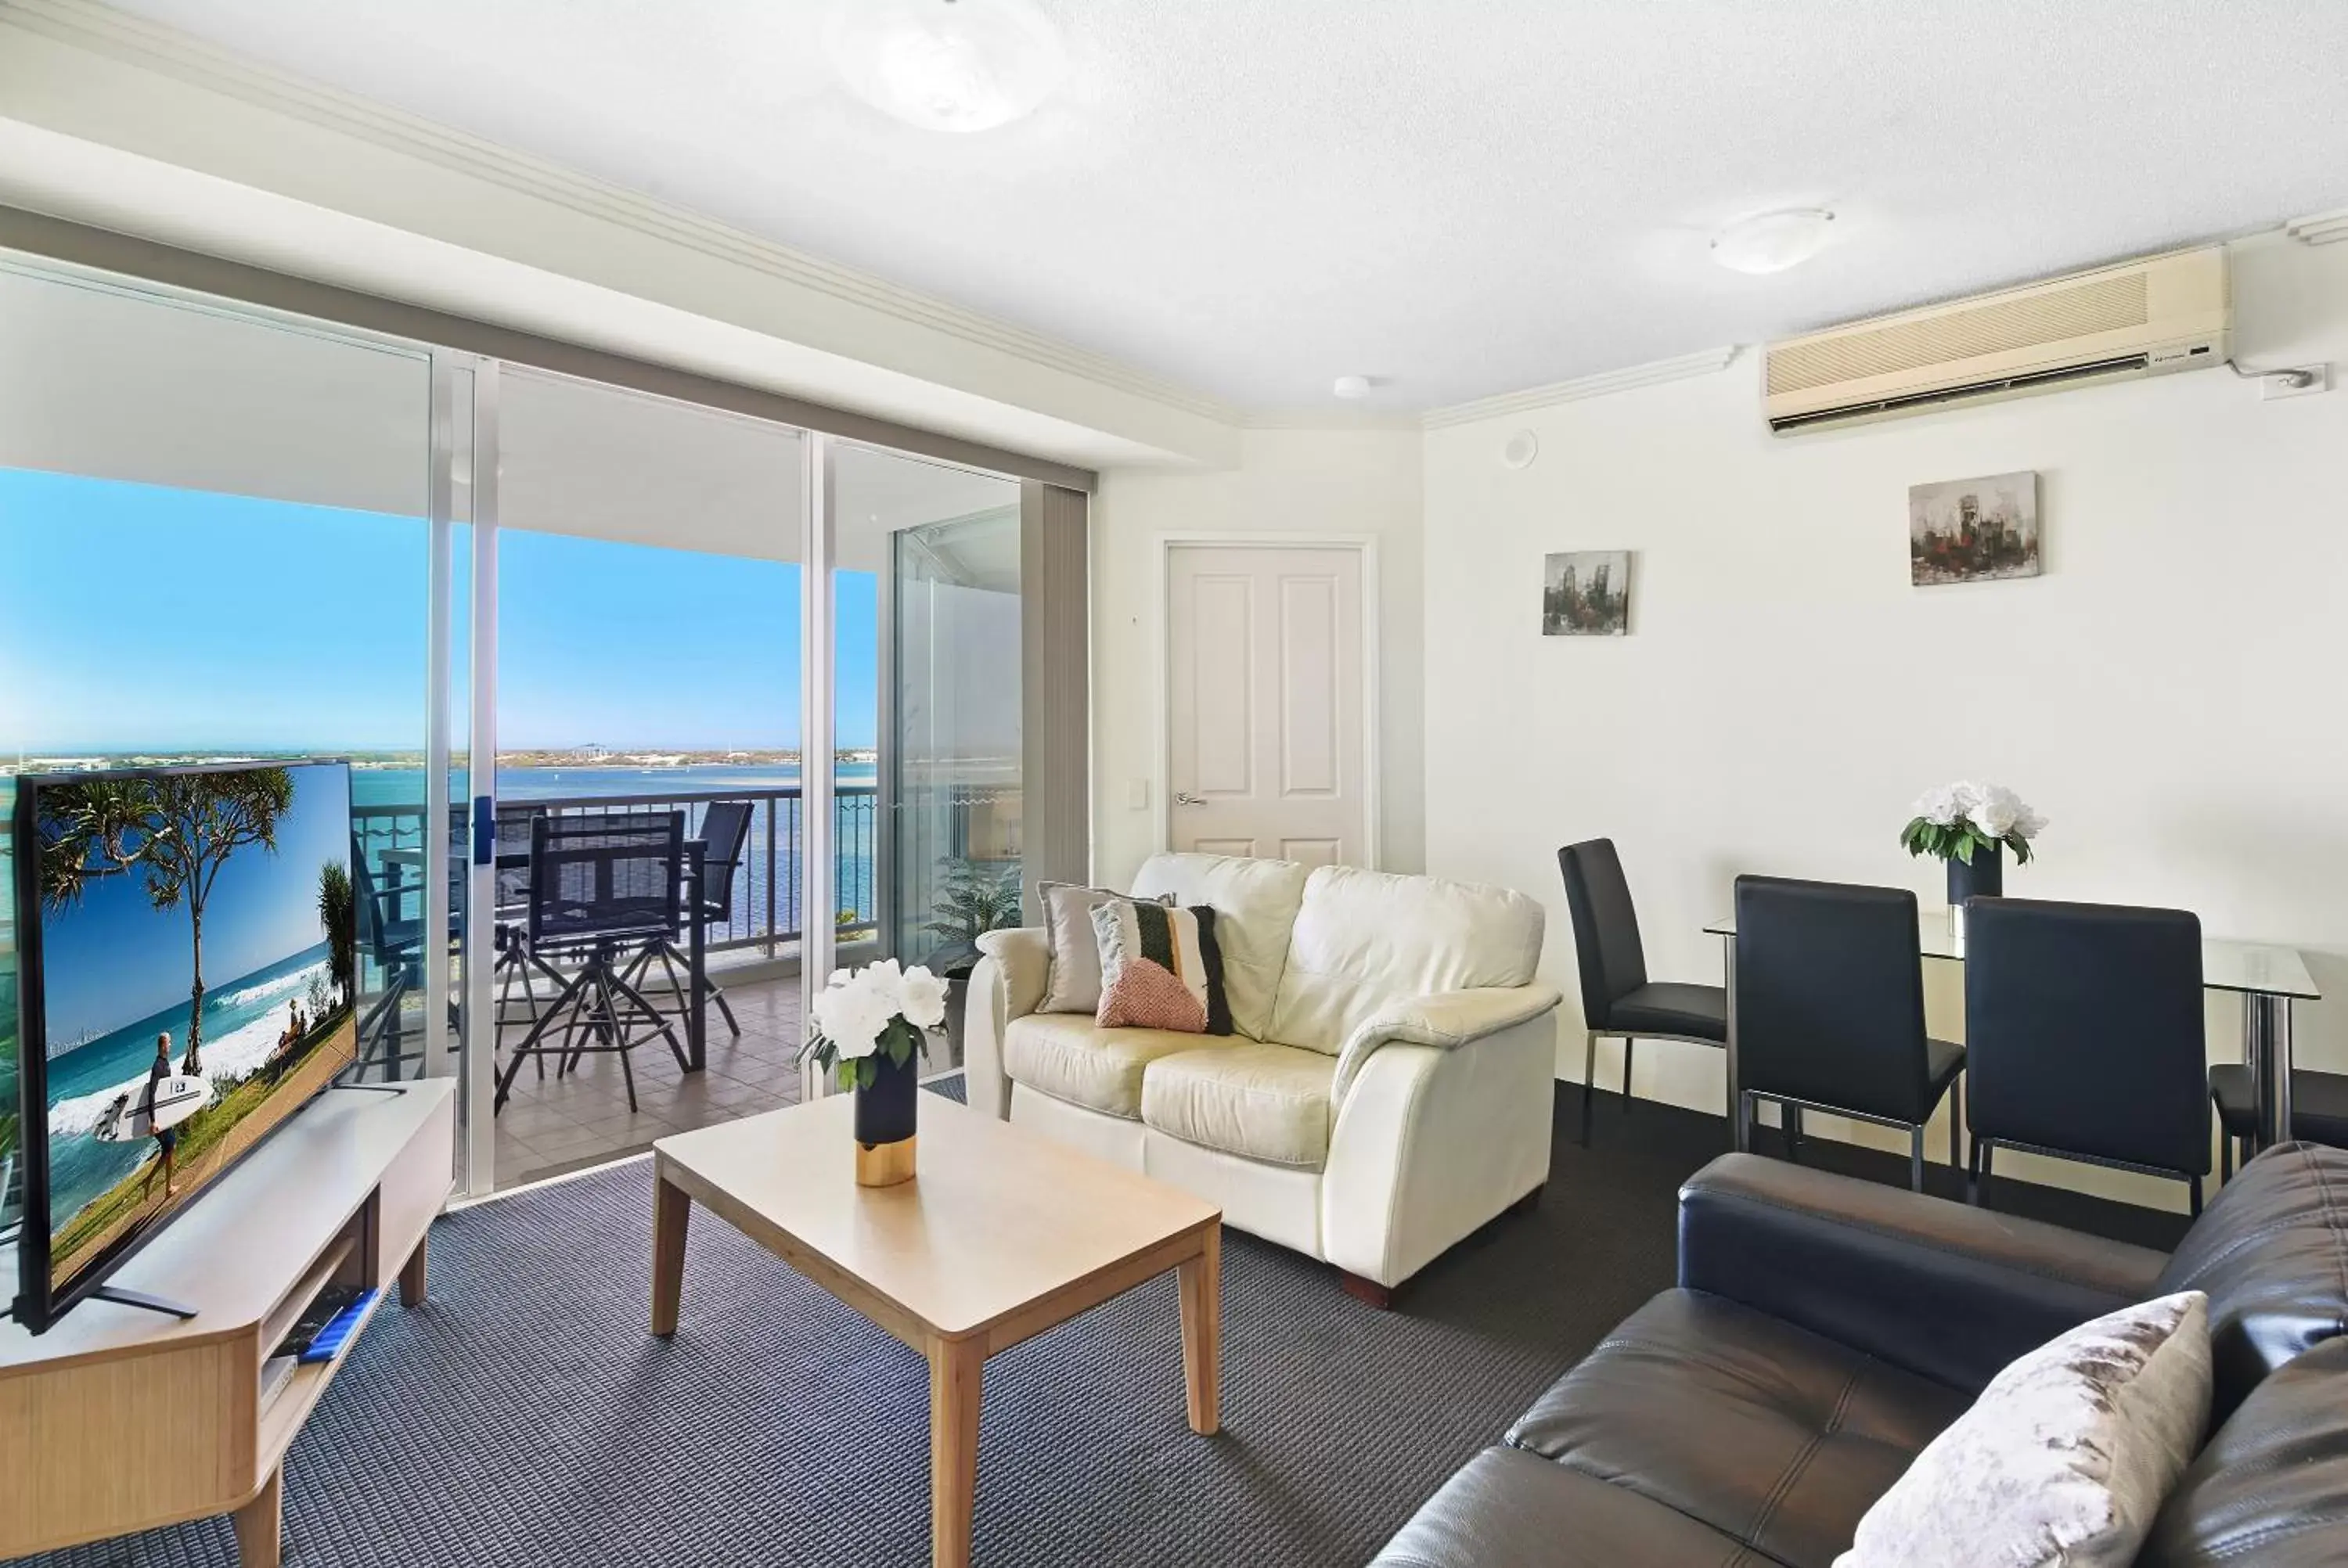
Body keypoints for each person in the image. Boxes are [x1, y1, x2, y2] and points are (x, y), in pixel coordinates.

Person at [140, 1032, 180, 1201]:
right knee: (171, 1148)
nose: (171, 1045)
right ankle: (167, 1187)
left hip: (162, 1115)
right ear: (163, 1045)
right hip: (158, 1119)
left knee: (168, 1151)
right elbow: (152, 1094)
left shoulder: (164, 1063)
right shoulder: (158, 1066)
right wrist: (153, 1121)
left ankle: (150, 1181)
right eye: (169, 1042)